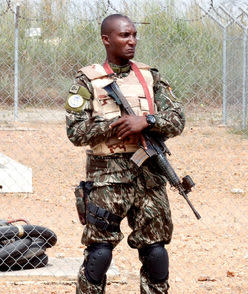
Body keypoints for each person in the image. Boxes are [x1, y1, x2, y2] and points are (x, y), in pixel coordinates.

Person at [65, 14, 185, 294]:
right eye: (124, 36)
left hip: (150, 175)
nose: (131, 41)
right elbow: (75, 131)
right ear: (106, 39)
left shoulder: (149, 76)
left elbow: (177, 118)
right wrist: (114, 126)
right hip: (107, 178)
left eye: (133, 35)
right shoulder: (88, 80)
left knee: (156, 253)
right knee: (99, 255)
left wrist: (147, 121)